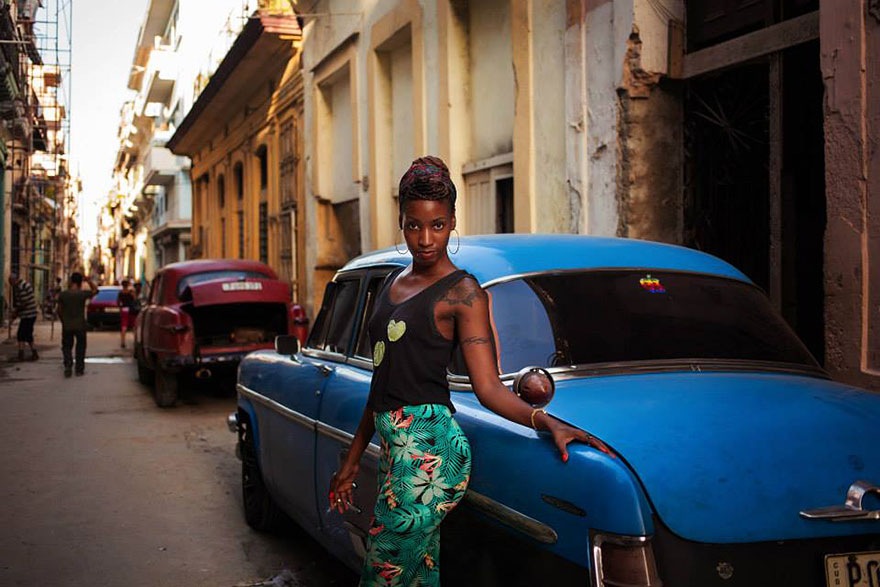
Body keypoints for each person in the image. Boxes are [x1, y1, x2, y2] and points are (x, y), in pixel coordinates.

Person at [328, 157, 611, 586]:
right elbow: (381, 383)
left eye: (438, 226)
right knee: (418, 577)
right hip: (396, 452)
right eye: (414, 226)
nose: (425, 240)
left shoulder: (463, 293)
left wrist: (546, 421)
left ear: (452, 221)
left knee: (382, 573)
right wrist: (352, 460)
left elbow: (488, 388)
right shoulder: (392, 284)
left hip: (432, 453)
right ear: (401, 221)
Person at [57, 272, 97, 377]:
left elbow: (59, 310)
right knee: (80, 347)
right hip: (80, 325)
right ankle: (79, 369)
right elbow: (96, 291)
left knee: (66, 347)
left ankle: (68, 365)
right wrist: (89, 281)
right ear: (80, 283)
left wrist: (63, 320)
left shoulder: (64, 294)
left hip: (67, 325)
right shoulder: (82, 294)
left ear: (71, 281)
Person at [8, 273, 38, 361]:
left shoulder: (21, 287)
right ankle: (33, 353)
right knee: (27, 334)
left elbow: (24, 303)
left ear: (15, 280)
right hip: (28, 314)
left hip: (28, 314)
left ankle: (22, 354)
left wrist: (15, 312)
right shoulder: (21, 285)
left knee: (21, 334)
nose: (10, 284)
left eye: (11, 282)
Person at [117, 279, 137, 349]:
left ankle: (123, 342)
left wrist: (120, 308)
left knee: (124, 326)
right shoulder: (130, 292)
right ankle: (135, 341)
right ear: (128, 285)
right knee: (134, 326)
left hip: (124, 309)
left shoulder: (120, 293)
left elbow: (118, 302)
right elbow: (135, 299)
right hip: (131, 310)